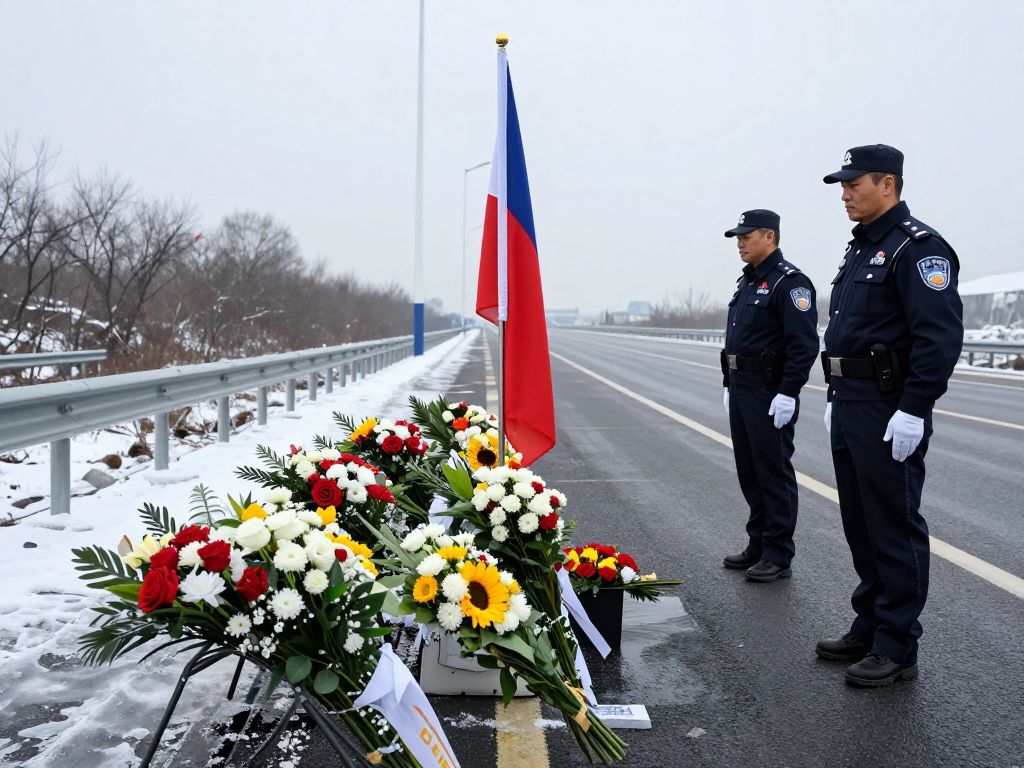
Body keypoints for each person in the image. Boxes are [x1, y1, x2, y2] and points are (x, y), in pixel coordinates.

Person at [816, 145, 963, 687]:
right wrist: (835, 395)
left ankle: (898, 644)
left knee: (893, 524)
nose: (846, 193)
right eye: (842, 185)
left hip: (889, 405)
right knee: (860, 521)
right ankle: (871, 622)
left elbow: (938, 338)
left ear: (889, 184)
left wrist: (913, 409)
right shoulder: (860, 250)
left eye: (855, 183)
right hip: (852, 401)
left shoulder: (917, 248)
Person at [720, 209, 818, 583]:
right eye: (738, 237)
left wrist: (788, 393)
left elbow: (804, 344)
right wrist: (729, 384)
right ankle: (758, 543)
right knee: (750, 470)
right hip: (743, 388)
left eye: (747, 236)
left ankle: (778, 553)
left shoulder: (788, 283)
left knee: (773, 471)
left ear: (770, 237)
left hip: (769, 391)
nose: (740, 242)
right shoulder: (747, 283)